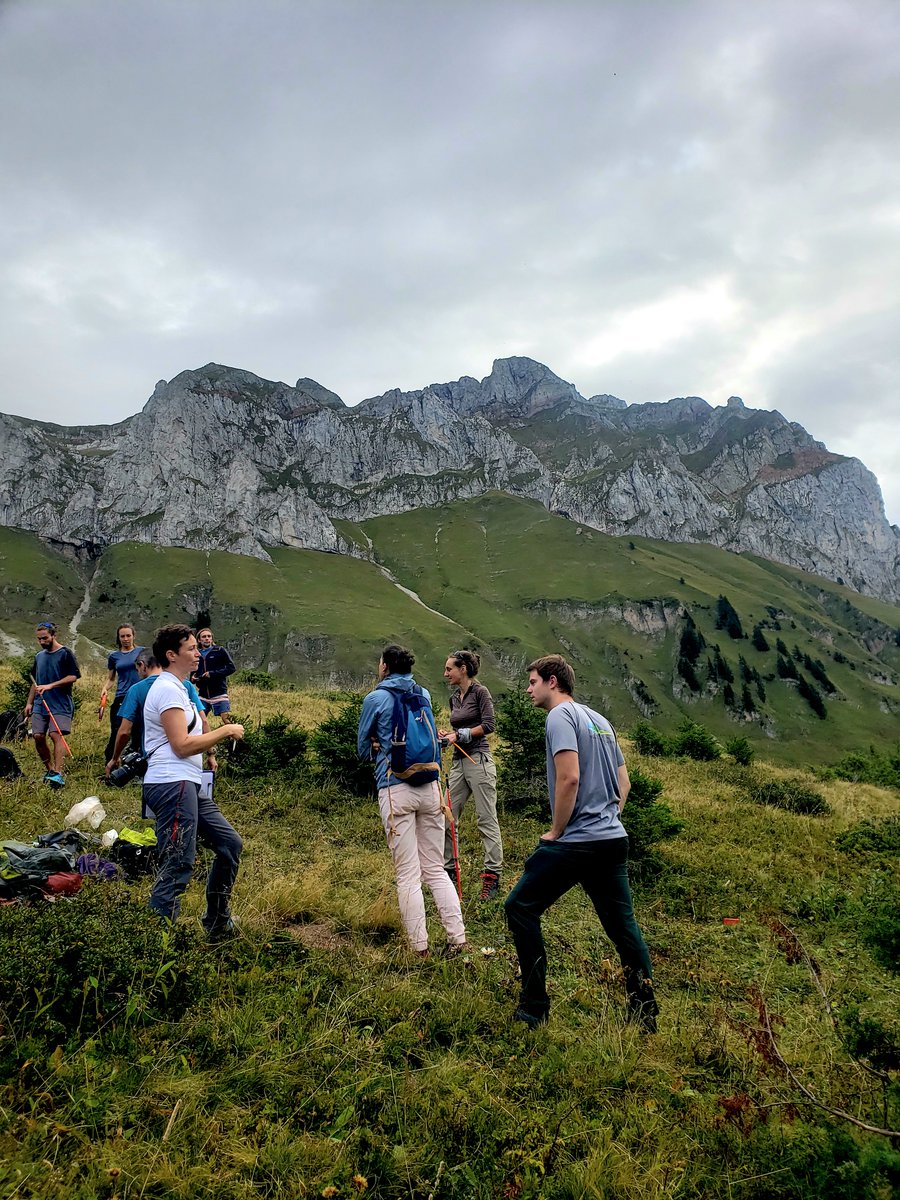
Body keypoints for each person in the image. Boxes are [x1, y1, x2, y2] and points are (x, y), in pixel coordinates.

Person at [504, 654, 658, 1032]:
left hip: (576, 841)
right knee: (623, 928)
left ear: (552, 682)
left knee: (520, 907)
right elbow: (625, 785)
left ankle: (534, 1007)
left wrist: (557, 830)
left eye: (533, 681)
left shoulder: (559, 717)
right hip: (611, 839)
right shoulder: (600, 720)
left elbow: (568, 777)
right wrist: (608, 818)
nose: (529, 689)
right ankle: (644, 1012)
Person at [357, 644, 467, 956]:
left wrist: (378, 747)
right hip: (431, 787)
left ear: (385, 667)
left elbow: (362, 749)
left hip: (395, 788)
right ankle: (458, 940)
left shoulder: (375, 698)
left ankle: (420, 949)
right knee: (435, 868)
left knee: (408, 874)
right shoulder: (425, 694)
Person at [143, 624, 245, 939]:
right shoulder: (166, 689)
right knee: (178, 862)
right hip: (171, 784)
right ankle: (153, 946)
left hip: (188, 783)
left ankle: (217, 923)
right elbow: (181, 745)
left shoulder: (181, 688)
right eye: (191, 649)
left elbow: (193, 734)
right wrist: (226, 731)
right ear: (172, 655)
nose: (198, 654)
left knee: (229, 845)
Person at [105, 652, 210, 812]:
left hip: (156, 763)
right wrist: (211, 754)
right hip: (191, 762)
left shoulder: (136, 689)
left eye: (137, 669)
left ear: (142, 665)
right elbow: (203, 721)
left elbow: (124, 731)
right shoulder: (185, 685)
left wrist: (115, 757)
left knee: (162, 814)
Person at [439, 650, 503, 900]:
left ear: (463, 669)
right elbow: (458, 729)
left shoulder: (480, 692)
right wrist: (448, 736)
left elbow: (489, 725)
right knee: (445, 815)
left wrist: (461, 734)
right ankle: (449, 872)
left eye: (449, 669)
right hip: (458, 762)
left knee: (486, 819)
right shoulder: (455, 697)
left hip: (478, 760)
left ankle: (492, 876)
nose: (445, 674)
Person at [24, 621, 81, 789]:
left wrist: (50, 685)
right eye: (39, 639)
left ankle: (58, 773)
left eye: (45, 638)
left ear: (53, 636)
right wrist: (29, 703)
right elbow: (35, 681)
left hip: (60, 702)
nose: (42, 642)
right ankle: (49, 771)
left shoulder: (65, 653)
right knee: (38, 736)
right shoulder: (39, 656)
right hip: (40, 704)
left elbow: (73, 676)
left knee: (56, 735)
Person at [101, 624, 145, 763]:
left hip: (140, 695)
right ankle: (112, 762)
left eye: (128, 635)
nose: (125, 639)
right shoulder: (114, 657)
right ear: (118, 638)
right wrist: (105, 689)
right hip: (122, 696)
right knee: (117, 730)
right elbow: (111, 678)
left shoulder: (142, 652)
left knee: (138, 731)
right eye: (122, 636)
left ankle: (137, 764)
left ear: (133, 636)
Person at [192, 628, 236, 723]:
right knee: (198, 721)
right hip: (203, 695)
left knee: (227, 720)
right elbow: (193, 670)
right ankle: (201, 738)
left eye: (209, 636)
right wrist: (193, 678)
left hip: (219, 693)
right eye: (204, 637)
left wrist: (212, 674)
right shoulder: (196, 654)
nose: (207, 638)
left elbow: (231, 668)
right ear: (199, 640)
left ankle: (235, 738)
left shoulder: (220, 650)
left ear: (212, 639)